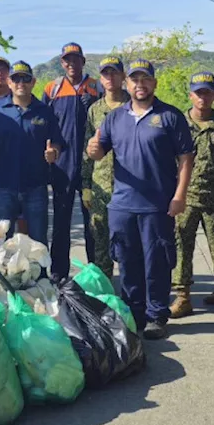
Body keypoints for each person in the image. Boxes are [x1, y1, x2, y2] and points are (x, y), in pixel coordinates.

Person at [87, 59, 195, 340]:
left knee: (157, 261)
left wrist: (180, 195)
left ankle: (157, 314)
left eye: (145, 79)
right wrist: (92, 149)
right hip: (122, 205)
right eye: (134, 79)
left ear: (154, 83)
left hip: (157, 205)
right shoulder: (114, 117)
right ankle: (134, 313)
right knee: (127, 261)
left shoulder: (170, 116)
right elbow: (99, 153)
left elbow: (186, 159)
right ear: (127, 83)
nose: (140, 84)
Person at [170, 71, 214, 318]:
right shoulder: (178, 124)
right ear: (191, 95)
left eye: (207, 93)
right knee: (181, 248)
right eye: (198, 93)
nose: (203, 97)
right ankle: (183, 296)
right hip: (185, 198)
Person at [0, 60, 62, 243]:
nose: (20, 84)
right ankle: (2, 273)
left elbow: (56, 142)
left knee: (38, 242)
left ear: (33, 82)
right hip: (4, 187)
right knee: (1, 241)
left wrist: (54, 153)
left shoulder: (45, 111)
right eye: (16, 79)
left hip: (35, 186)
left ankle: (41, 273)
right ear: (9, 82)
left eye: (25, 79)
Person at [43, 42, 101, 279]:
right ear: (61, 62)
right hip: (62, 166)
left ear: (83, 61)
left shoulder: (96, 88)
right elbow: (43, 124)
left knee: (94, 225)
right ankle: (59, 274)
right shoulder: (52, 89)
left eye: (75, 59)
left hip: (92, 166)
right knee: (61, 222)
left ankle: (96, 273)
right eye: (67, 59)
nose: (71, 63)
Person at [82, 56, 128, 277]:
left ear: (123, 76)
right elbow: (87, 148)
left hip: (129, 186)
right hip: (100, 185)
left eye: (114, 73)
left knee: (129, 242)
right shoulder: (94, 109)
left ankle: (132, 293)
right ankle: (105, 292)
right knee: (100, 241)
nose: (110, 78)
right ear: (100, 79)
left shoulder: (133, 106)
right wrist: (85, 185)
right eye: (105, 74)